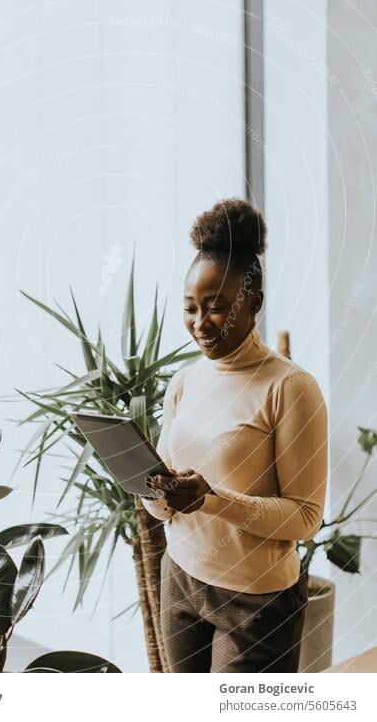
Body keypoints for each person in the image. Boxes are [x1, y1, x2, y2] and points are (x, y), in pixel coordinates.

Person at [142, 197, 328, 673]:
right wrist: (154, 493)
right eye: (190, 308)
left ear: (255, 303)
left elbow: (306, 518)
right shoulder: (184, 381)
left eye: (217, 307)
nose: (201, 324)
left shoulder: (290, 388)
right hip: (180, 576)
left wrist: (211, 499)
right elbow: (159, 495)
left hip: (256, 603)